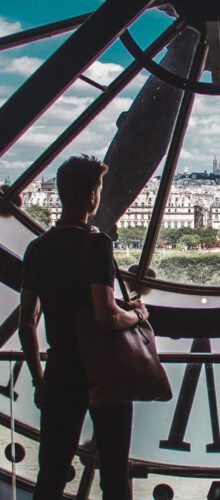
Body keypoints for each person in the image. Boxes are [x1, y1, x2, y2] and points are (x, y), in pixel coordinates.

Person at [18, 155, 149, 499]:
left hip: (61, 371)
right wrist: (137, 315)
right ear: (93, 195)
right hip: (104, 372)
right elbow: (105, 316)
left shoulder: (37, 249)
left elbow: (26, 323)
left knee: (51, 471)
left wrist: (39, 378)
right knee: (115, 476)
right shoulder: (96, 245)